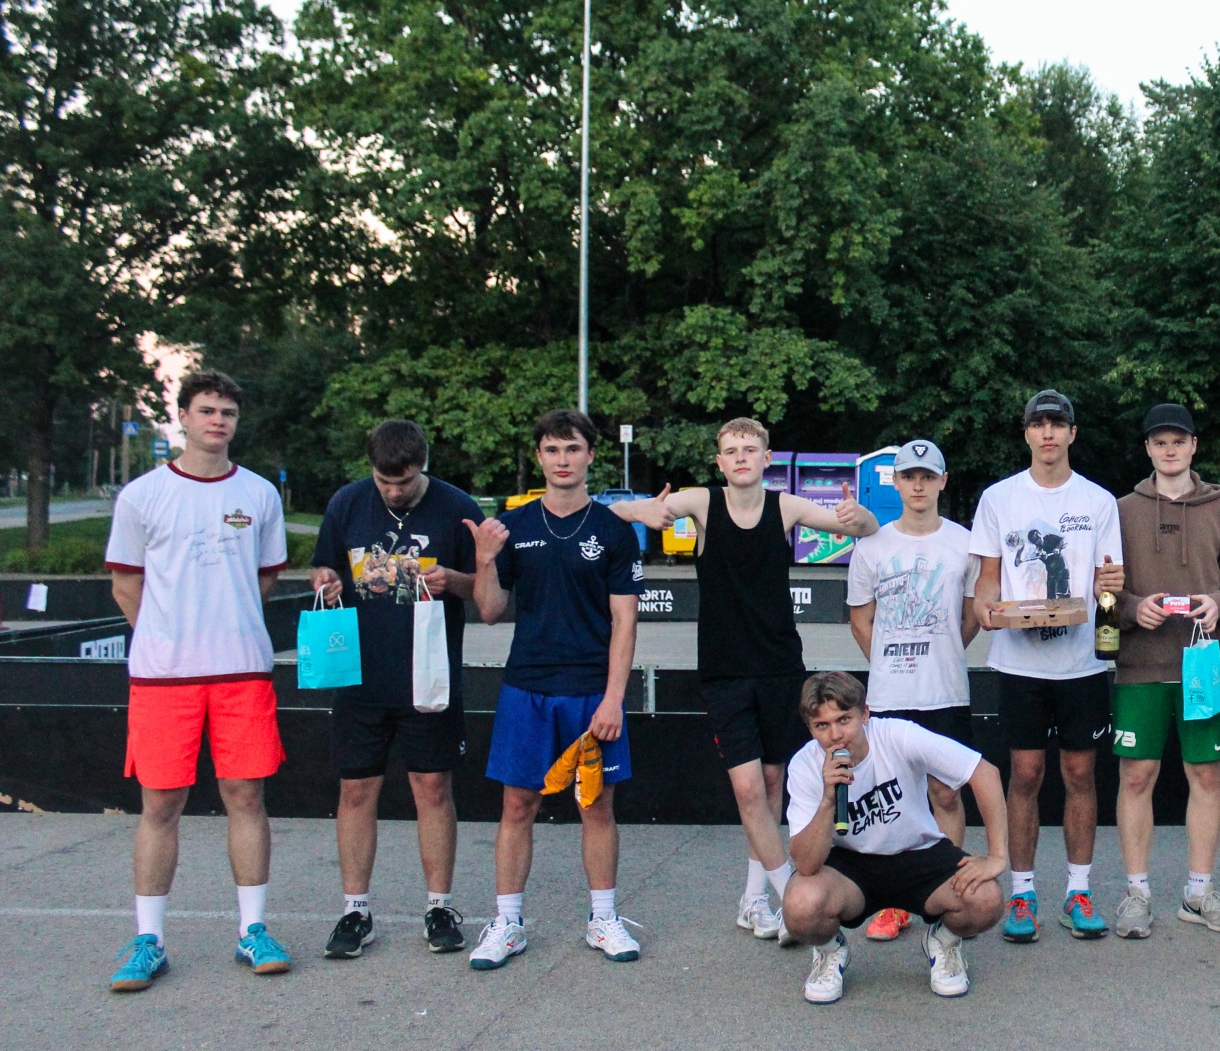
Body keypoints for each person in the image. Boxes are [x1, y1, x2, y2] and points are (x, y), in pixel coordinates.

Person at [609, 417, 876, 942]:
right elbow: (615, 512)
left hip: (780, 668)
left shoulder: (786, 507)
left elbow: (860, 528)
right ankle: (787, 894)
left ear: (766, 458)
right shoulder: (703, 503)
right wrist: (639, 510)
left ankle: (753, 900)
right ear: (719, 462)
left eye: (749, 449)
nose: (740, 458)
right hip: (724, 672)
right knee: (748, 786)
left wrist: (860, 515)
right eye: (730, 451)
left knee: (773, 783)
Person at [105, 371, 293, 991]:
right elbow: (126, 585)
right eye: (207, 410)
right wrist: (167, 638)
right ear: (183, 417)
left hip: (242, 672)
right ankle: (149, 941)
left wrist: (222, 626)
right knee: (161, 804)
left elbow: (265, 578)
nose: (218, 421)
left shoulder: (260, 493)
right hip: (165, 679)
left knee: (247, 797)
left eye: (228, 413)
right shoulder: (142, 495)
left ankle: (253, 930)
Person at [466, 409, 644, 969]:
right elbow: (490, 611)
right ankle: (508, 923)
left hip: (591, 691)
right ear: (539, 457)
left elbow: (625, 622)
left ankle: (603, 919)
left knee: (596, 805)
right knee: (517, 804)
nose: (562, 460)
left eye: (572, 449)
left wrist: (614, 698)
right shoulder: (512, 527)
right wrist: (484, 561)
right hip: (528, 687)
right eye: (551, 450)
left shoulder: (613, 530)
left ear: (590, 455)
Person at [309, 419, 485, 959]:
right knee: (355, 791)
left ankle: (439, 907)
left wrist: (454, 581)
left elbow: (490, 591)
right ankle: (355, 910)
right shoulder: (347, 502)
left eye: (403, 482)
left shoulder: (457, 507)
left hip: (429, 675)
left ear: (422, 465)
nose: (392, 491)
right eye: (383, 482)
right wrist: (326, 582)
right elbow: (324, 566)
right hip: (360, 675)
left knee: (432, 789)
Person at [969, 389, 1125, 941]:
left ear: (1072, 433)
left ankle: (1078, 890)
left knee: (1080, 774)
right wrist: (986, 608)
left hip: (1080, 662)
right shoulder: (999, 498)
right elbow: (988, 579)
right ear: (1027, 434)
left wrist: (1111, 587)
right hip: (1018, 662)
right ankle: (1023, 892)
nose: (1049, 433)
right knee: (1026, 774)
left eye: (1058, 423)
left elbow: (1109, 583)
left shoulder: (1098, 501)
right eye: (1040, 424)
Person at [782, 672, 1010, 1002]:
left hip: (918, 852)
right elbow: (805, 864)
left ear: (865, 714)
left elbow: (983, 772)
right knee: (800, 906)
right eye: (822, 725)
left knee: (986, 899)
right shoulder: (805, 765)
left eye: (844, 719)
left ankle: (944, 942)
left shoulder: (898, 735)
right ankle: (830, 952)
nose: (835, 735)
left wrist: (997, 856)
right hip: (851, 865)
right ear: (811, 729)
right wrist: (828, 800)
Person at [1109, 403, 1220, 938]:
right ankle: (1137, 893)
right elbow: (1103, 589)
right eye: (1160, 442)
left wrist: (1219, 603)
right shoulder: (1121, 510)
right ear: (1148, 449)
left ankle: (1200, 891)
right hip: (1140, 664)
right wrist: (1130, 608)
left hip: (1204, 664)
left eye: (1178, 441)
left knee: (1206, 775)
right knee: (1136, 776)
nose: (1170, 450)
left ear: (1194, 446)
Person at [845, 437, 981, 943]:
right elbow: (861, 622)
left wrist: (941, 651)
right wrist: (889, 665)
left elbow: (970, 617)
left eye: (927, 476)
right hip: (889, 696)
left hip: (946, 691)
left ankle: (946, 893)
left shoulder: (965, 543)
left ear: (943, 481)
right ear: (897, 483)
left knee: (946, 792)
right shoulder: (871, 546)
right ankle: (895, 902)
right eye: (909, 476)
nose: (918, 485)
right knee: (895, 799)